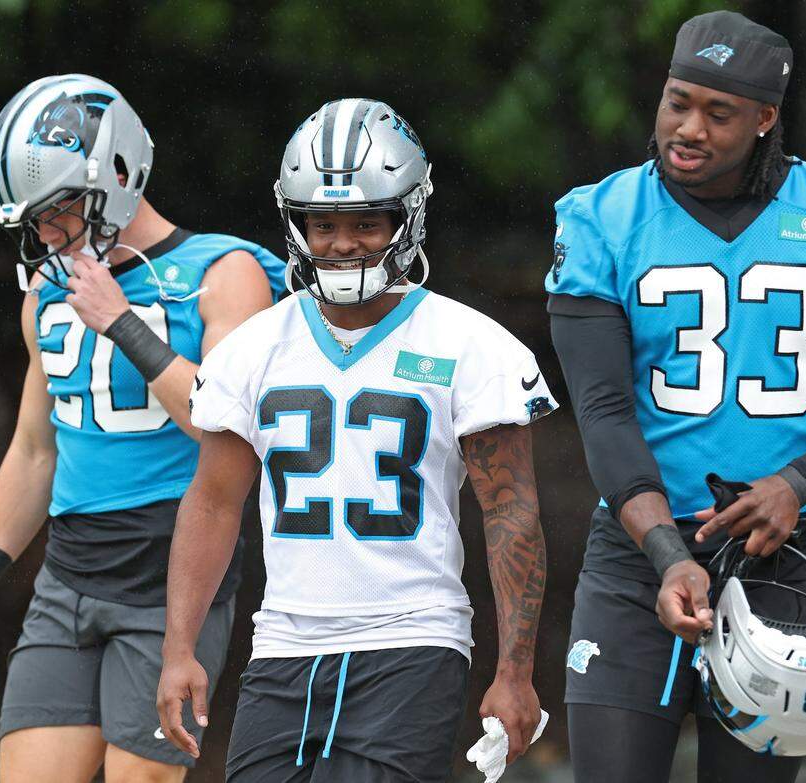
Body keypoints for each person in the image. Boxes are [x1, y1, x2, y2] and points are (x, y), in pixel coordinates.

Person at [546, 12, 806, 782]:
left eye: (718, 113)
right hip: (637, 558)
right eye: (676, 101)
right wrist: (665, 553)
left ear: (766, 119)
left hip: (783, 558)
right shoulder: (601, 218)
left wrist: (799, 482)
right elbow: (602, 408)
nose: (687, 129)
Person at [155, 98, 557, 782]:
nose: (342, 243)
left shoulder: (469, 345)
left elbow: (510, 513)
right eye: (324, 223)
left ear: (408, 217)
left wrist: (514, 672)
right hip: (282, 643)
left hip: (413, 641)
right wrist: (178, 648)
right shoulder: (253, 348)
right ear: (296, 222)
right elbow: (213, 501)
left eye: (367, 223)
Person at [0, 73, 286, 782]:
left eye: (60, 209)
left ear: (119, 172)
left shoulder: (225, 272)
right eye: (34, 220)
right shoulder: (48, 289)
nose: (49, 235)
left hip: (172, 579)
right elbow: (35, 451)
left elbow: (223, 423)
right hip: (68, 579)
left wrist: (120, 320)